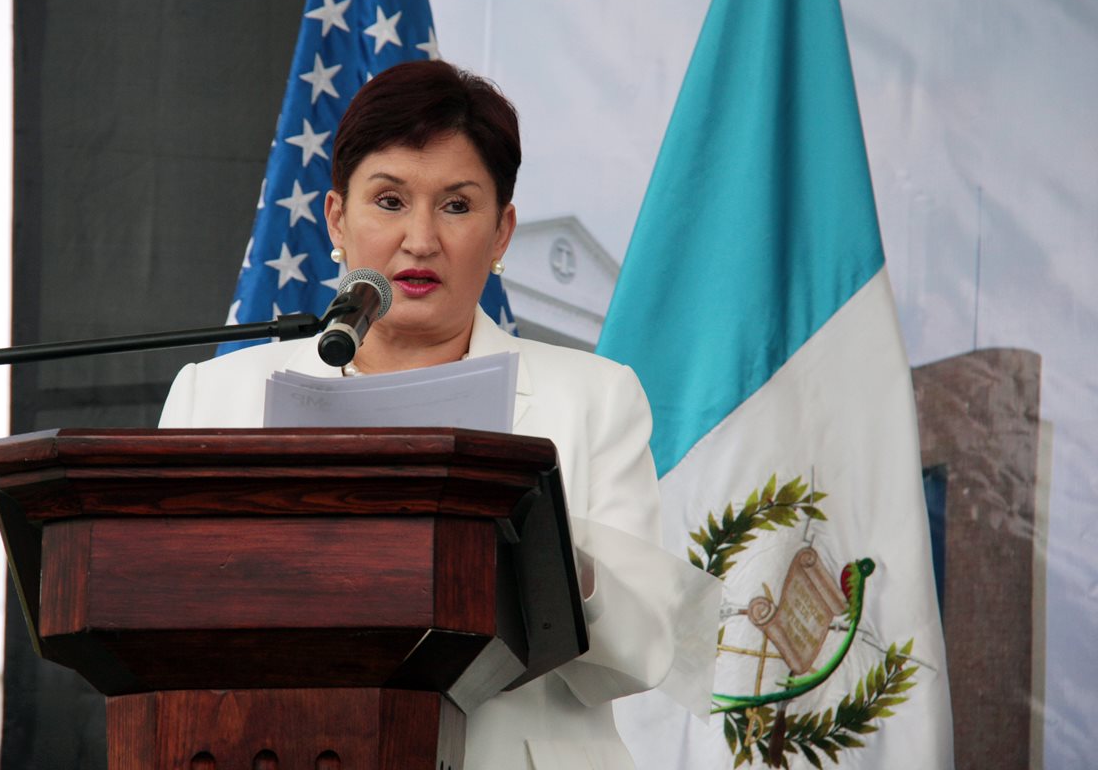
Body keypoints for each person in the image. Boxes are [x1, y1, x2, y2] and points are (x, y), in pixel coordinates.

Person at [159, 60, 718, 770]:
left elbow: (639, 657)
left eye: (456, 205)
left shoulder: (594, 397)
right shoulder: (217, 398)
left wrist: (550, 559)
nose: (420, 239)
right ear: (337, 217)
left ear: (503, 231)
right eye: (389, 202)